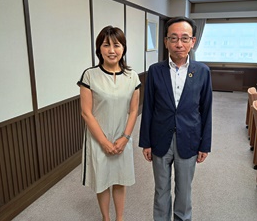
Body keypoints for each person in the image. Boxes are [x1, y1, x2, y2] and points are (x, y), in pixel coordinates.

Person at [139, 17, 212, 221]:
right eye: (173, 38)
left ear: (193, 41)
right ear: (166, 42)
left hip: (189, 139)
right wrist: (146, 142)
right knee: (161, 189)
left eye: (184, 38)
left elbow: (206, 111)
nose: (179, 44)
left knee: (184, 191)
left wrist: (204, 145)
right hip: (160, 138)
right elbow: (149, 108)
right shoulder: (155, 71)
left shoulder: (203, 72)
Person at [77, 26, 141, 221]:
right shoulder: (90, 75)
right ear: (99, 49)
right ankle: (106, 218)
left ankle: (119, 218)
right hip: (98, 139)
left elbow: (133, 110)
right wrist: (104, 142)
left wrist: (125, 138)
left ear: (123, 48)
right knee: (102, 181)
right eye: (106, 45)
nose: (112, 50)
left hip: (123, 138)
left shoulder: (132, 77)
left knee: (120, 180)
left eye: (116, 45)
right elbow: (86, 113)